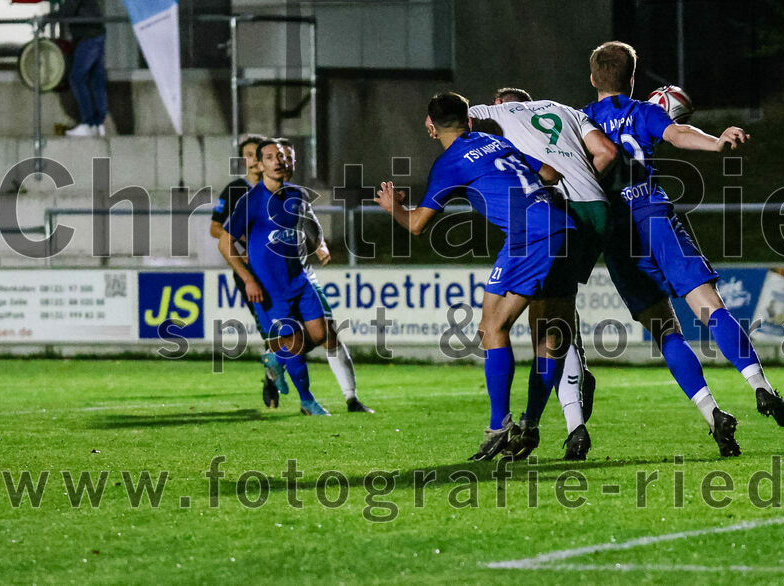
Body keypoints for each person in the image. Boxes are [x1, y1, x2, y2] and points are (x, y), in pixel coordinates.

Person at [583, 41, 784, 457]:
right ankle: (760, 386)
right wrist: (717, 142)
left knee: (666, 332)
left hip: (615, 233)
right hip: (653, 217)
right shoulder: (643, 112)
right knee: (710, 308)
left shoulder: (580, 121)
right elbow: (679, 134)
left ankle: (713, 414)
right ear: (632, 80)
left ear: (593, 79)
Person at [374, 92, 580, 461]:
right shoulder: (496, 141)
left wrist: (394, 208)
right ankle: (526, 427)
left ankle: (501, 427)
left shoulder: (449, 164)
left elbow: (419, 225)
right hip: (551, 226)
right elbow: (551, 173)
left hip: (531, 234)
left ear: (430, 127)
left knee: (496, 328)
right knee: (526, 332)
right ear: (469, 120)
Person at [467, 86, 618, 460]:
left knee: (538, 328)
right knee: (560, 317)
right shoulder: (567, 109)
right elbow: (607, 152)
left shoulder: (502, 114)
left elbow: (455, 116)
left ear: (503, 103)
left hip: (556, 212)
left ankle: (542, 424)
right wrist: (580, 181)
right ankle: (568, 416)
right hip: (596, 208)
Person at [219, 139, 372, 416]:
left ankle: (348, 397)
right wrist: (248, 279)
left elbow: (311, 223)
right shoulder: (250, 202)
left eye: (283, 156)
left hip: (301, 279)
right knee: (295, 343)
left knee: (324, 334)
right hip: (269, 288)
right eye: (270, 157)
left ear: (293, 162)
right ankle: (307, 401)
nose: (278, 161)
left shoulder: (298, 195)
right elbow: (224, 242)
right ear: (261, 164)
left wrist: (321, 244)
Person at [209, 133, 288, 408]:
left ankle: (277, 368)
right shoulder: (235, 191)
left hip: (281, 268)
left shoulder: (282, 188)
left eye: (258, 154)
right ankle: (272, 377)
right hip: (250, 270)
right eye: (249, 155)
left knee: (293, 325)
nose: (253, 160)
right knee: (270, 326)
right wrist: (242, 238)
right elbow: (215, 228)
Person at [50, 0, 108, 137]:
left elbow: (69, 9)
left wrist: (46, 18)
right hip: (94, 33)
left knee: (77, 77)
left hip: (88, 36)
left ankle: (88, 122)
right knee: (96, 79)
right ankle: (98, 124)